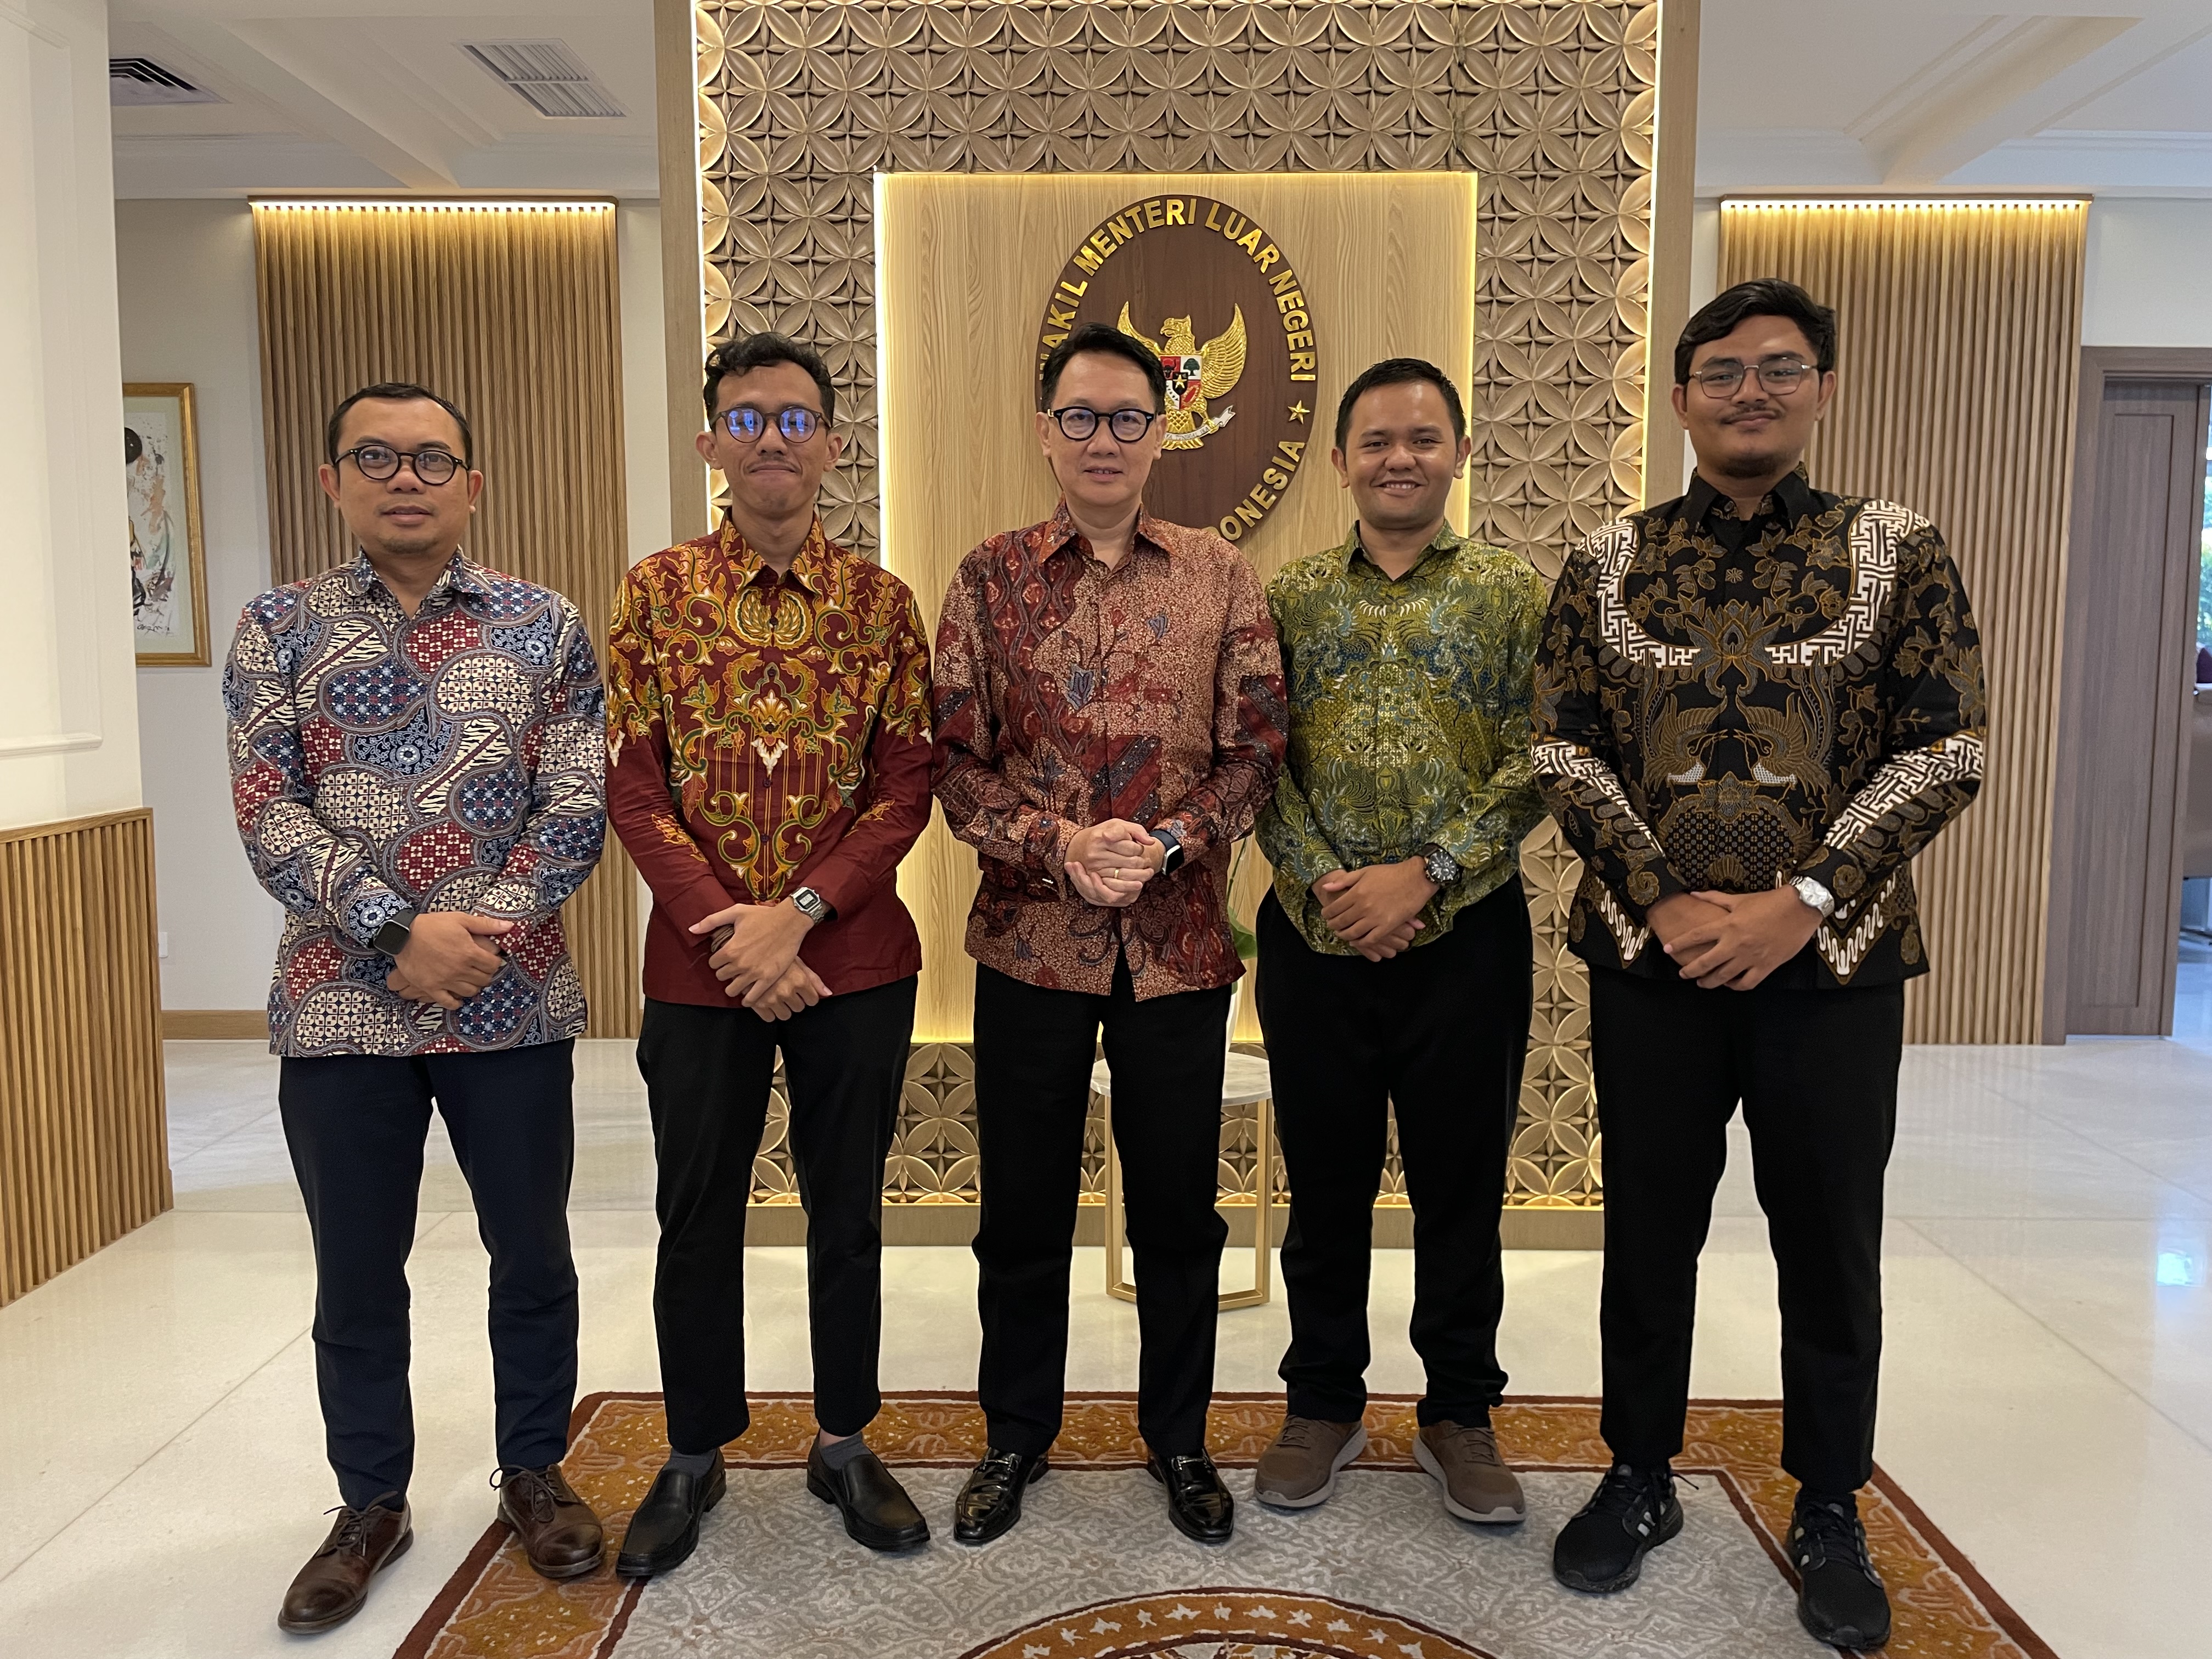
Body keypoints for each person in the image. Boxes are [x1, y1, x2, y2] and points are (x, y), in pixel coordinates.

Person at [1532, 279, 1985, 1651]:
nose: (1751, 392)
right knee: (1647, 1231)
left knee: (1829, 1242)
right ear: (1681, 399)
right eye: (1723, 371)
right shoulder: (1608, 560)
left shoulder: (1897, 549)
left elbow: (1948, 746)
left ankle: (1831, 1504)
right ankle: (1639, 1475)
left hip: (1831, 966)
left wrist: (1805, 898)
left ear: (1822, 388)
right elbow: (1561, 745)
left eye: (1780, 368)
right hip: (1651, 961)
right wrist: (1665, 898)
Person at [223, 382, 610, 1634]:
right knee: (355, 1272)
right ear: (333, 481)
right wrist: (400, 933)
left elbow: (575, 806)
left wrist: (471, 940)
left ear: (473, 486)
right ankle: (369, 1505)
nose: (406, 478)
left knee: (532, 1256)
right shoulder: (277, 629)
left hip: (511, 1001)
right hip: (340, 1006)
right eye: (377, 457)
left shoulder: (545, 626)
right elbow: (269, 813)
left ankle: (536, 1471)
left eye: (433, 459)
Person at [931, 321, 1286, 1547]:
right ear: (1046, 431)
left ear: (1161, 432)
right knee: (1022, 1212)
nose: (1103, 439)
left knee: (1180, 1212)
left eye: (1128, 418)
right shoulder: (987, 579)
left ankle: (1179, 1439)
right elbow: (954, 763)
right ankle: (1015, 1436)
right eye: (1080, 416)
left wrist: (1169, 844)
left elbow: (1257, 753)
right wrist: (1060, 845)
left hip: (1178, 949)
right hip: (1030, 940)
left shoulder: (1221, 575)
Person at [605, 333, 936, 1574]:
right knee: (695, 1213)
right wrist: (735, 932)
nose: (773, 441)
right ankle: (694, 1451)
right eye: (747, 420)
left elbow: (906, 785)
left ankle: (844, 1440)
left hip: (851, 959)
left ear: (833, 446)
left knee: (846, 1212)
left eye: (796, 419)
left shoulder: (883, 606)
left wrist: (796, 913)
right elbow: (634, 786)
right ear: (711, 444)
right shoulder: (654, 594)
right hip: (700, 971)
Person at [1250, 358, 1548, 1525]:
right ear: (1340, 461)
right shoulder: (1289, 598)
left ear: (1460, 454)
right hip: (1315, 942)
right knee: (1324, 1190)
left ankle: (1459, 1413)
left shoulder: (1513, 595)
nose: (1400, 459)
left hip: (1466, 938)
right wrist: (1331, 885)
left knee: (1460, 1194)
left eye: (1424, 439)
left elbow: (1544, 757)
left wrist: (1424, 876)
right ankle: (1322, 1403)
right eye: (1376, 441)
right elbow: (1255, 755)